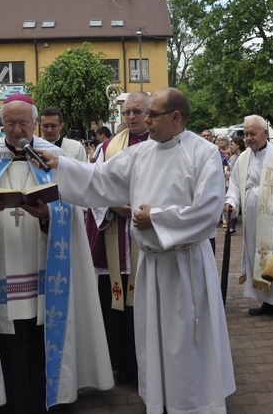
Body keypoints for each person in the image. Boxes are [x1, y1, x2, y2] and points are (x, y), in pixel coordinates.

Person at [42, 88, 235, 414]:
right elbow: (99, 178)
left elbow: (208, 210)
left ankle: (194, 404)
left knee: (185, 344)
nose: (145, 120)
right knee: (154, 341)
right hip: (151, 267)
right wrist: (59, 164)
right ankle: (160, 401)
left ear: (175, 118)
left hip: (185, 266)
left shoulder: (202, 153)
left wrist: (155, 219)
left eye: (152, 115)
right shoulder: (141, 153)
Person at [0, 93, 113, 412]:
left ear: (35, 124)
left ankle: (48, 397)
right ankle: (5, 400)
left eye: (23, 123)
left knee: (40, 333)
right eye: (10, 123)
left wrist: (48, 215)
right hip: (0, 268)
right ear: (2, 124)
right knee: (7, 339)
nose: (17, 130)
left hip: (44, 267)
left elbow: (72, 210)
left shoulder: (51, 156)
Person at [86, 91, 150, 384]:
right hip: (115, 231)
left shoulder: (161, 144)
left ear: (150, 112)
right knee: (117, 300)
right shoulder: (109, 147)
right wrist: (113, 206)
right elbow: (94, 185)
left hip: (147, 233)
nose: (132, 117)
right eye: (127, 112)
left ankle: (146, 364)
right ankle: (121, 363)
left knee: (145, 302)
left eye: (138, 111)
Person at [224, 115, 273, 326]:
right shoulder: (243, 158)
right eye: (246, 134)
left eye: (252, 134)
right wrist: (231, 202)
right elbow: (235, 188)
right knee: (257, 257)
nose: (248, 138)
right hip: (253, 219)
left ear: (265, 134)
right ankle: (267, 301)